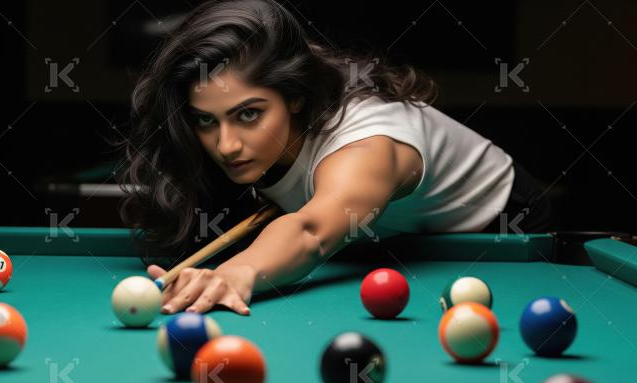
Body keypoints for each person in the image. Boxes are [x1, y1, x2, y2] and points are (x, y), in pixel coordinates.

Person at [116, 0, 553, 316]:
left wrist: (235, 273)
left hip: (500, 227)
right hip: (389, 235)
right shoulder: (240, 140)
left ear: (296, 98)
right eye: (206, 121)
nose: (226, 145)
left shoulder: (369, 144)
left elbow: (310, 231)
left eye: (248, 114)